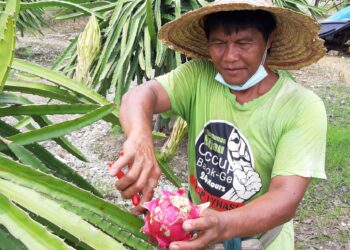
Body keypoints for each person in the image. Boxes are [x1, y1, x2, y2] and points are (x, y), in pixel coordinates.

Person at [109, 0, 327, 249]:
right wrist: (139, 137)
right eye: (218, 43)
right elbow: (139, 96)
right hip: (196, 231)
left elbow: (285, 197)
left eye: (244, 43)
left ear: (269, 40)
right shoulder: (198, 76)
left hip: (260, 241)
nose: (229, 57)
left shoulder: (301, 106)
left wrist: (222, 224)